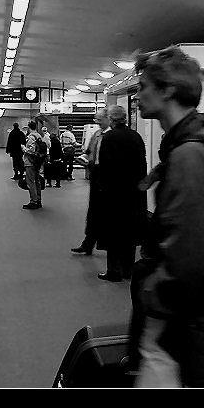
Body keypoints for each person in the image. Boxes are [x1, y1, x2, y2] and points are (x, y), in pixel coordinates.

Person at [130, 45, 204, 388]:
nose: (137, 96)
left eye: (143, 87)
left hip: (185, 323)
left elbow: (193, 254)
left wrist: (153, 292)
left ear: (167, 90)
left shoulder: (188, 155)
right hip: (202, 318)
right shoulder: (199, 142)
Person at [95, 104, 147, 282]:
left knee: (113, 232)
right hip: (133, 194)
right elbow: (142, 164)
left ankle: (114, 270)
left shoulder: (109, 137)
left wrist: (102, 188)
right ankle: (128, 268)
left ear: (111, 119)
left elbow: (105, 167)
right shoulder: (136, 136)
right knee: (129, 233)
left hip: (114, 194)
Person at [70, 109, 110, 256]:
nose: (97, 122)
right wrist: (84, 158)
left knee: (106, 213)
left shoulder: (112, 136)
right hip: (95, 174)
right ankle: (88, 243)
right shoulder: (97, 134)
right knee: (93, 211)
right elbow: (88, 152)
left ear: (108, 118)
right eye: (95, 119)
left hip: (108, 178)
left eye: (99, 119)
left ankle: (111, 246)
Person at [20, 121, 45, 209]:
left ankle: (33, 201)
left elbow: (31, 150)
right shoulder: (39, 136)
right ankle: (38, 200)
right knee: (37, 181)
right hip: (38, 162)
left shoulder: (31, 137)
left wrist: (23, 148)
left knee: (30, 182)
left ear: (29, 128)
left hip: (30, 162)